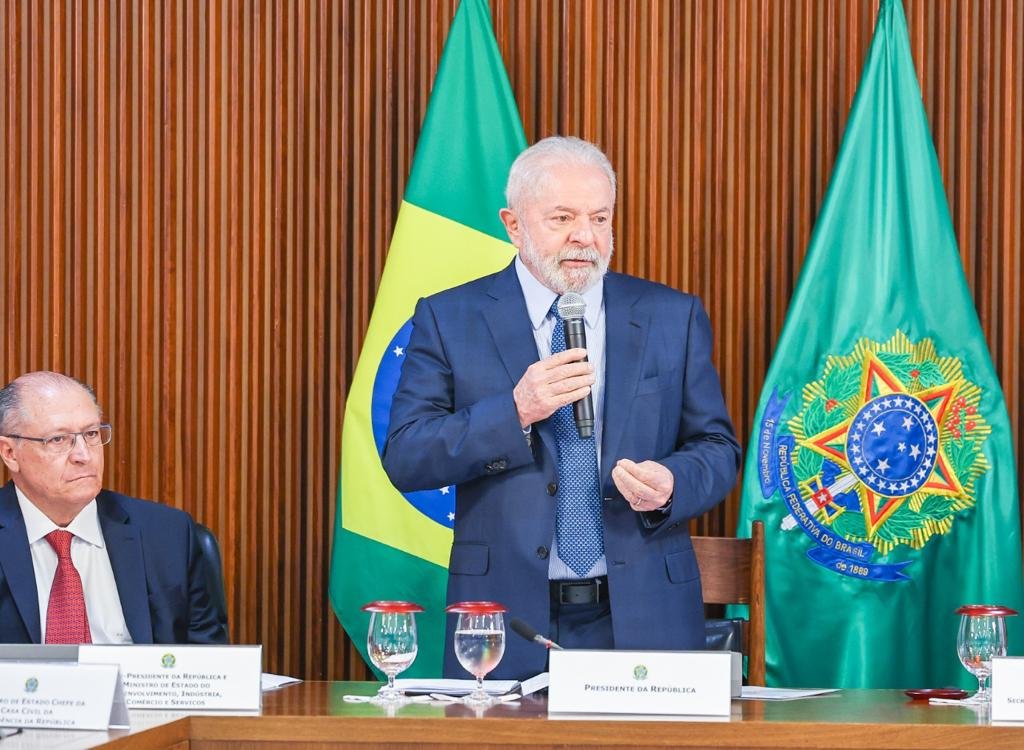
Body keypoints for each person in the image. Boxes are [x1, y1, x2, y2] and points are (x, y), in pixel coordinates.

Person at [383, 136, 741, 680]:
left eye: (600, 218)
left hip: (643, 611)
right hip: (504, 615)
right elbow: (407, 455)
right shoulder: (449, 317)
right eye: (563, 217)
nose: (585, 236)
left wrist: (672, 482)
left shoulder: (672, 316)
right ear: (514, 224)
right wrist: (515, 411)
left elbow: (717, 449)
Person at [0, 371, 228, 645]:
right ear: (10, 453)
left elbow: (208, 664)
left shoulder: (169, 536)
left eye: (92, 434)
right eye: (59, 440)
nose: (83, 455)